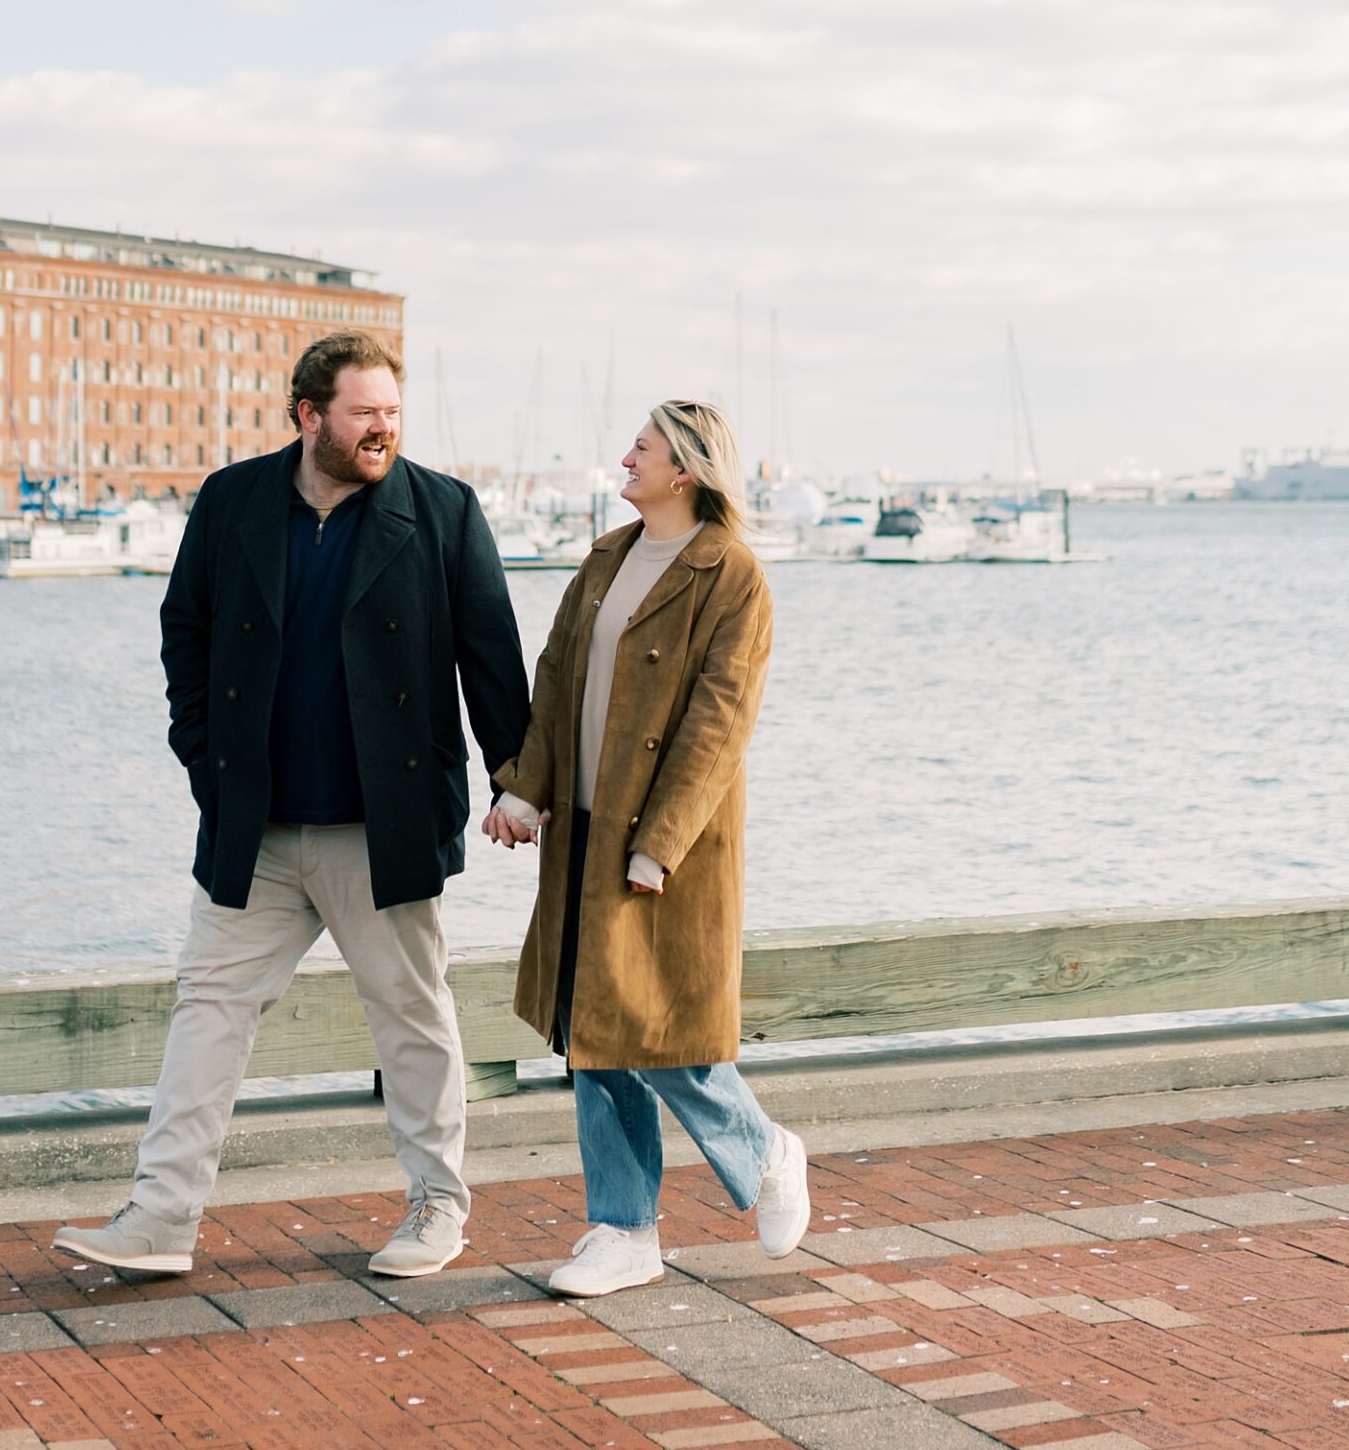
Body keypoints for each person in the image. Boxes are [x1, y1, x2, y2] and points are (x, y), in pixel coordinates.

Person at [55, 329, 530, 1282]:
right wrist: (206, 761)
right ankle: (161, 1216)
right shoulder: (234, 501)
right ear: (309, 415)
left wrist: (513, 780)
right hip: (257, 828)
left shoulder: (441, 511)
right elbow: (183, 635)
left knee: (411, 1014)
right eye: (364, 413)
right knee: (208, 1009)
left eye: (392, 413)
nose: (382, 429)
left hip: (380, 825)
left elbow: (491, 657)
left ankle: (438, 1207)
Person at [484, 399, 810, 1296]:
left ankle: (767, 1150)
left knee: (660, 1032)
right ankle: (623, 1231)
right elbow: (555, 684)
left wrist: (659, 845)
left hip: (666, 841)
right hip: (583, 831)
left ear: (688, 470)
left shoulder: (732, 576)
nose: (624, 457)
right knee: (595, 1033)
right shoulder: (605, 557)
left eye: (643, 446)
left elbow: (719, 726)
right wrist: (524, 788)